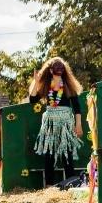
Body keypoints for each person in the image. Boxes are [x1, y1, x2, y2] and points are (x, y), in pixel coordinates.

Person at [29, 57, 83, 186]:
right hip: (50, 123)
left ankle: (70, 186)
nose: (59, 70)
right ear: (51, 70)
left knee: (67, 154)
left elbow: (77, 107)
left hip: (65, 123)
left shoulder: (68, 86)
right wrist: (36, 82)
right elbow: (32, 99)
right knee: (49, 154)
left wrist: (78, 125)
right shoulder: (46, 86)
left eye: (62, 68)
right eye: (57, 67)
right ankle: (49, 187)